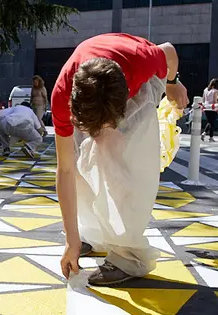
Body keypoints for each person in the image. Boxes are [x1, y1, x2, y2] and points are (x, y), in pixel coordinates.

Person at [52, 33, 188, 286]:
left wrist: (172, 82)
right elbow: (66, 170)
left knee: (121, 160)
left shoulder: (144, 62)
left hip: (137, 76)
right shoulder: (62, 95)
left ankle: (129, 255)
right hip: (99, 82)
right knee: (81, 159)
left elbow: (168, 49)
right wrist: (72, 240)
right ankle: (91, 234)